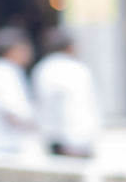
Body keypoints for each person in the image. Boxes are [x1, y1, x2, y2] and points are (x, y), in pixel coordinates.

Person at [31, 27, 100, 157]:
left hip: (52, 139)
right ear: (70, 46)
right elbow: (84, 107)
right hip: (77, 140)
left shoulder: (42, 68)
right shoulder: (76, 68)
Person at [0, 27, 37, 153]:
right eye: (25, 49)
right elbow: (11, 113)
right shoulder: (4, 72)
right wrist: (37, 127)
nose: (29, 53)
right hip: (6, 146)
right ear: (12, 50)